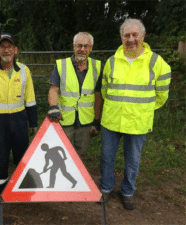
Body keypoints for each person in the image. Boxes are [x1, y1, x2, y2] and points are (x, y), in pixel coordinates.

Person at [100, 18, 171, 210]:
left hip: (138, 122)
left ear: (143, 36)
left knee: (132, 161)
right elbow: (105, 90)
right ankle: (105, 188)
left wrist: (143, 109)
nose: (131, 39)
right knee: (107, 157)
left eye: (134, 35)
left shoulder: (157, 63)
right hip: (111, 120)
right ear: (121, 37)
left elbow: (162, 95)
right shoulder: (112, 61)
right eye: (126, 35)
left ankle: (128, 191)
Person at [0, 34, 38, 196]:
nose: (7, 50)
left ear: (15, 50)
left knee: (21, 154)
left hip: (19, 119)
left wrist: (32, 122)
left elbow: (30, 98)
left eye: (10, 47)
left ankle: (23, 187)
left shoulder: (24, 70)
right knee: (0, 155)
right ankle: (1, 190)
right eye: (3, 47)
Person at [47, 32, 103, 156]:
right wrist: (53, 107)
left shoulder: (97, 67)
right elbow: (53, 89)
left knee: (80, 154)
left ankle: (76, 175)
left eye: (86, 46)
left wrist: (96, 121)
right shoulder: (61, 65)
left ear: (91, 48)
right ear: (73, 46)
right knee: (61, 152)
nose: (82, 49)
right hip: (64, 118)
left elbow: (98, 95)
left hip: (86, 120)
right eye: (79, 45)